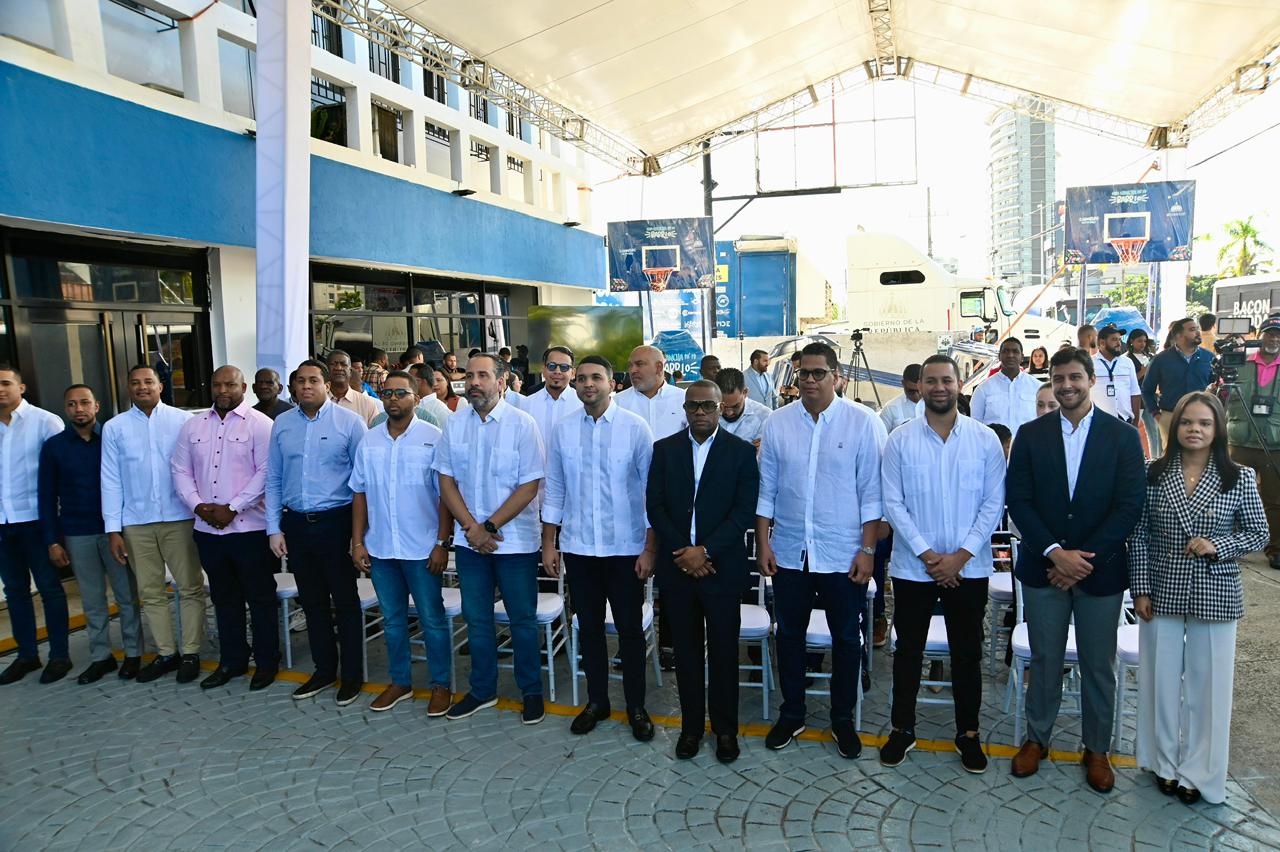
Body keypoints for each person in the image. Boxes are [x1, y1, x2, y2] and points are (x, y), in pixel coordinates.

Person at [1006, 347, 1145, 792]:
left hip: (1098, 572)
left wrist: (1082, 560)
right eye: (1058, 378)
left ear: (1091, 380)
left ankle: (1097, 748)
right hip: (1045, 569)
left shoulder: (1122, 437)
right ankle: (1037, 739)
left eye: (1074, 377)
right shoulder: (1030, 434)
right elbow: (1019, 501)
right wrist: (1053, 552)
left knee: (1097, 664)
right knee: (1045, 660)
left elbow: (1129, 507)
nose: (1066, 385)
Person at [1131, 391, 1268, 805]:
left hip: (1216, 590)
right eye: (1188, 422)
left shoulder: (1239, 476)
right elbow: (1138, 535)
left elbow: (1258, 533)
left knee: (1210, 689)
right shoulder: (1153, 473)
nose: (1195, 430)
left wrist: (1219, 545)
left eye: (1204, 423)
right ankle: (1162, 763)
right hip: (1162, 587)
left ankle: (1201, 773)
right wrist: (1140, 588)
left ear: (1217, 429)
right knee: (1160, 681)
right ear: (1175, 428)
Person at [756, 342, 888, 759]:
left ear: (837, 376)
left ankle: (842, 719)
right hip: (792, 551)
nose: (809, 380)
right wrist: (764, 543)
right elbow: (767, 491)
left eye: (818, 373)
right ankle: (792, 712)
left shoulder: (863, 423)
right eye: (802, 374)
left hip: (843, 552)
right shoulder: (778, 424)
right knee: (789, 635)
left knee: (847, 639)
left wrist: (867, 550)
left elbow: (873, 495)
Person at [878, 355, 1007, 772]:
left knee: (967, 651)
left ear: (958, 385)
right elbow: (892, 502)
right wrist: (928, 554)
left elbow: (993, 504)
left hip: (968, 568)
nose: (939, 387)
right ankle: (902, 728)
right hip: (914, 568)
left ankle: (968, 733)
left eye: (946, 380)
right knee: (907, 650)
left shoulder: (984, 439)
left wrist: (961, 556)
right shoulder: (899, 439)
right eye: (931, 381)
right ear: (920, 385)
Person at [542, 355, 657, 741]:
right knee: (588, 628)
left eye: (597, 377)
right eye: (583, 378)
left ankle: (636, 706)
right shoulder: (563, 430)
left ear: (613, 383)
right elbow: (555, 489)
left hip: (625, 548)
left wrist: (649, 548)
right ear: (575, 384)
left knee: (629, 631)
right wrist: (549, 543)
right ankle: (597, 701)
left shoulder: (635, 428)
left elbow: (650, 494)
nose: (588, 384)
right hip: (579, 548)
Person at [647, 380, 758, 763]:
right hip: (679, 569)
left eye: (707, 406)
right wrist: (684, 553)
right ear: (685, 408)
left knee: (726, 653)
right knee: (686, 653)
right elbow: (655, 506)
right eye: (693, 406)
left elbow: (744, 511)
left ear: (720, 408)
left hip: (720, 569)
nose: (699, 412)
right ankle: (691, 728)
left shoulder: (741, 453)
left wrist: (705, 551)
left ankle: (726, 730)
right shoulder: (664, 450)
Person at [434, 353, 546, 724]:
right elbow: (446, 481)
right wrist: (472, 529)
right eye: (470, 375)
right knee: (477, 619)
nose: (475, 382)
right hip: (471, 544)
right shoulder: (454, 424)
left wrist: (490, 527)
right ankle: (482, 690)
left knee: (522, 621)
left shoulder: (522, 424)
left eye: (483, 375)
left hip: (513, 544)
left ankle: (531, 691)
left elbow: (529, 485)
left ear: (502, 381)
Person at [350, 370, 454, 717]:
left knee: (432, 620)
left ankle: (441, 686)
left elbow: (445, 497)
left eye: (401, 393)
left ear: (416, 398)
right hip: (381, 548)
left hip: (422, 549)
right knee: (392, 621)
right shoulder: (369, 441)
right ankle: (400, 682)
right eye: (388, 392)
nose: (393, 399)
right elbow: (360, 493)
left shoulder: (434, 437)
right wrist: (357, 542)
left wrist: (441, 543)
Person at [171, 366, 279, 691]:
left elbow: (267, 472)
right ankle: (232, 660)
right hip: (208, 532)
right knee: (224, 598)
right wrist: (198, 506)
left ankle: (266, 662)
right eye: (217, 384)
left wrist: (233, 507)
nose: (223, 390)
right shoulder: (193, 426)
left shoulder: (262, 425)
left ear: (243, 387)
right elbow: (179, 469)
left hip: (249, 530)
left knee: (260, 599)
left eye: (230, 384)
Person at [266, 359, 367, 705]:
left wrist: (358, 537)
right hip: (296, 523)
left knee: (346, 602)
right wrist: (273, 528)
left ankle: (351, 676)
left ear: (326, 385)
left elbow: (362, 484)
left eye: (313, 380)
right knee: (311, 602)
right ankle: (325, 670)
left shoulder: (350, 424)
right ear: (292, 387)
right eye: (300, 381)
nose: (306, 386)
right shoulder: (281, 424)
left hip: (337, 523)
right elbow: (274, 479)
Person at [101, 365, 204, 684]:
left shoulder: (184, 421)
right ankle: (166, 652)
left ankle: (190, 651)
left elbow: (196, 469)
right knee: (151, 591)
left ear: (161, 386)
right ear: (128, 389)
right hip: (136, 523)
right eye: (135, 383)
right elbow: (111, 479)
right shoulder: (115, 427)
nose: (142, 387)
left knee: (189, 587)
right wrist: (113, 529)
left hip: (180, 518)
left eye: (148, 381)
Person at [38, 384, 144, 684]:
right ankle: (101, 657)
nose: (78, 409)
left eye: (84, 402)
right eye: (71, 404)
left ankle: (134, 653)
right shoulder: (54, 447)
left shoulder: (112, 438)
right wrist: (52, 540)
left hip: (116, 531)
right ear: (65, 409)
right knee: (92, 599)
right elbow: (46, 497)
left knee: (126, 595)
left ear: (96, 405)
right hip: (76, 532)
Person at [0, 365, 68, 685]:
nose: (0, 390)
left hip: (37, 522)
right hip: (2, 524)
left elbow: (61, 475)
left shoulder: (45, 422)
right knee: (15, 591)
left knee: (50, 589)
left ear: (21, 387)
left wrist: (57, 528)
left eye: (5, 383)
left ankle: (59, 656)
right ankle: (27, 655)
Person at [1225, 314, 1280, 569]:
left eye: (1278, 335)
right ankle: (1229, 543)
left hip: (1274, 444)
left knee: (1275, 499)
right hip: (1240, 441)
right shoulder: (1241, 363)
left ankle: (1276, 548)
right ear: (1260, 336)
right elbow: (1221, 395)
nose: (1274, 338)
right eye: (1270, 333)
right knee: (1230, 496)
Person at [1142, 317, 1214, 448]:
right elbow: (1147, 390)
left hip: (1201, 417)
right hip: (1170, 416)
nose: (1198, 332)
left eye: (1198, 329)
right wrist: (1157, 415)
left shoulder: (1209, 358)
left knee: (1198, 457)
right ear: (1179, 335)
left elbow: (1215, 387)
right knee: (1170, 460)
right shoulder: (1161, 359)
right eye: (1192, 330)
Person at [615, 345, 687, 440]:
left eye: (639, 364)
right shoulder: (617, 403)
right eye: (630, 365)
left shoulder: (684, 399)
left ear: (659, 367)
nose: (632, 370)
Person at [970, 337, 1039, 429]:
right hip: (994, 443)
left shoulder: (1037, 387)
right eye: (1006, 351)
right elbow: (975, 425)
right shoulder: (983, 389)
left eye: (1015, 351)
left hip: (1028, 443)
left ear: (1022, 357)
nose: (1010, 355)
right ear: (999, 356)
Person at [522, 346, 578, 443]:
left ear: (573, 373)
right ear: (543, 370)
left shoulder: (583, 404)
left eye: (564, 367)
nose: (557, 371)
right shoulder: (526, 405)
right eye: (552, 366)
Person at [1092, 325, 1142, 424]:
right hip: (1099, 421)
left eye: (1119, 339)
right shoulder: (1090, 363)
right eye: (1114, 340)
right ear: (1102, 342)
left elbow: (1135, 392)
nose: (1119, 343)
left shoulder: (1127, 362)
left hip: (1125, 420)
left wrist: (1135, 421)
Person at [326, 349, 381, 427]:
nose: (338, 368)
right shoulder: (317, 402)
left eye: (343, 364)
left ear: (350, 371)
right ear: (327, 369)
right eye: (333, 364)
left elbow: (376, 435)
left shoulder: (367, 403)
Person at [715, 368, 771, 446]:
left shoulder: (765, 417)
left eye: (735, 406)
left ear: (745, 392)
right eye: (723, 406)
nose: (729, 413)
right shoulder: (705, 414)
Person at [879, 364, 922, 434]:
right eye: (911, 391)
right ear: (903, 383)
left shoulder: (937, 406)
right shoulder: (891, 409)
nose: (916, 396)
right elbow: (881, 439)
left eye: (920, 390)